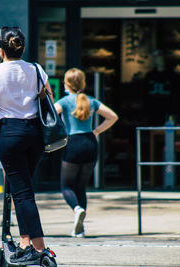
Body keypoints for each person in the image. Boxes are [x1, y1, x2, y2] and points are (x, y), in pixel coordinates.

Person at [0, 26, 52, 265]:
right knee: (20, 188)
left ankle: (42, 249)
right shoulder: (36, 68)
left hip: (9, 134)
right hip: (34, 134)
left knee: (22, 193)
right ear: (21, 48)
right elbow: (48, 97)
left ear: (1, 51)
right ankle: (24, 242)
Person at [54, 68, 118, 237]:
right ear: (82, 83)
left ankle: (77, 209)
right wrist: (97, 131)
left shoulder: (65, 101)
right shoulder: (91, 101)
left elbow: (50, 115)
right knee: (81, 186)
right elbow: (112, 116)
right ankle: (80, 229)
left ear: (67, 84)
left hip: (73, 143)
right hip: (90, 143)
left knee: (66, 186)